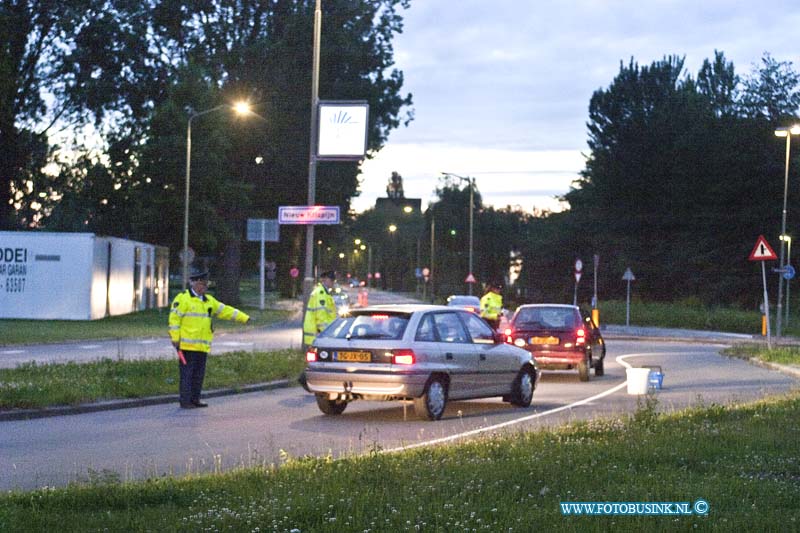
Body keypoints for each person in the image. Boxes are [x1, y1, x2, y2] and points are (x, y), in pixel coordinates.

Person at [168, 268, 250, 409]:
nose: (204, 287)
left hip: (202, 346)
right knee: (187, 375)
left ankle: (195, 399)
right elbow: (174, 319)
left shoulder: (208, 301)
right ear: (194, 284)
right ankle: (185, 401)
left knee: (199, 375)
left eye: (206, 285)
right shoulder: (183, 299)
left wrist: (245, 318)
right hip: (186, 346)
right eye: (202, 284)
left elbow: (226, 311)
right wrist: (175, 339)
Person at [303, 270, 338, 346]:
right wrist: (327, 332)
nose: (333, 282)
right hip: (319, 334)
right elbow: (321, 316)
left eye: (334, 280)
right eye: (331, 280)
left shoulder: (324, 293)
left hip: (318, 334)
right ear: (325, 280)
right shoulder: (320, 293)